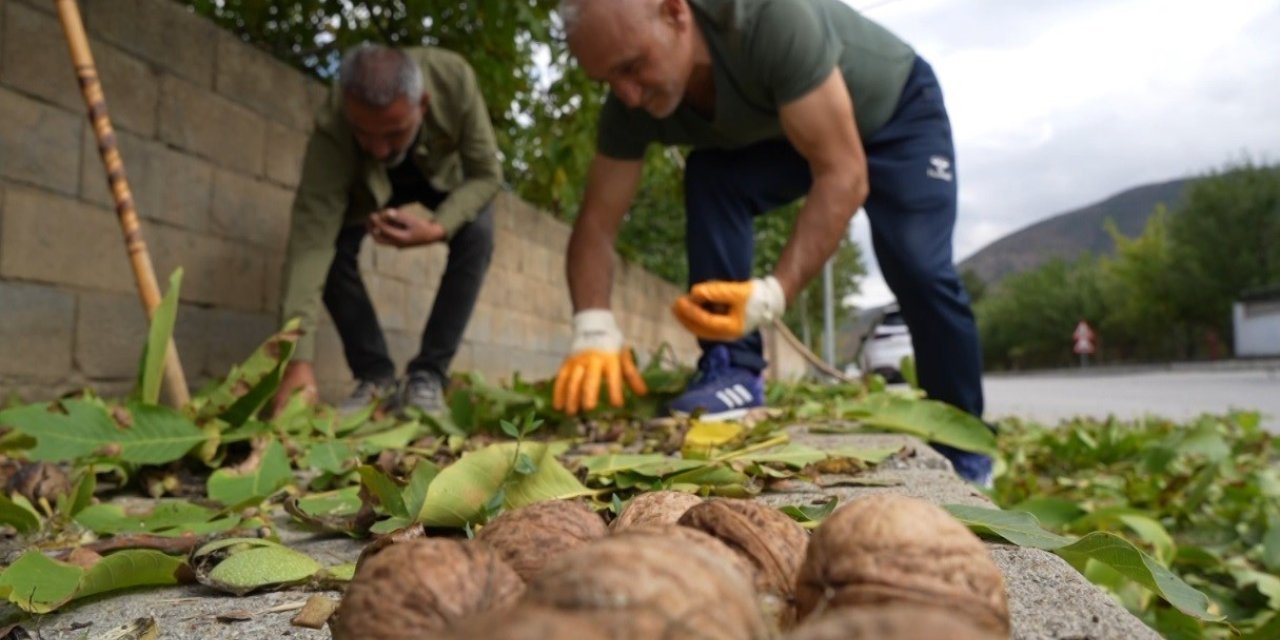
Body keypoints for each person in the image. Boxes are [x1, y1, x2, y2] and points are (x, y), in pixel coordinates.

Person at [550, 0, 992, 484]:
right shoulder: (629, 106)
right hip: (790, 130)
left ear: (675, 14)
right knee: (712, 175)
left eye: (633, 68)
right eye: (609, 81)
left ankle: (965, 446)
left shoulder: (768, 18)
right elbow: (595, 225)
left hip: (895, 116)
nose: (628, 95)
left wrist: (771, 295)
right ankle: (733, 368)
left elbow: (843, 176)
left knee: (918, 267)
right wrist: (592, 326)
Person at [272, 43, 500, 417]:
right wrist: (296, 360)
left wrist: (437, 227)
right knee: (331, 250)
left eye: (393, 133)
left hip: (441, 179)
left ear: (422, 105)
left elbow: (487, 175)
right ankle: (375, 377)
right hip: (368, 188)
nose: (379, 149)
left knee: (478, 231)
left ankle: (428, 375)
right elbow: (310, 239)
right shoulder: (334, 123)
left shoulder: (453, 79)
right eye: (365, 134)